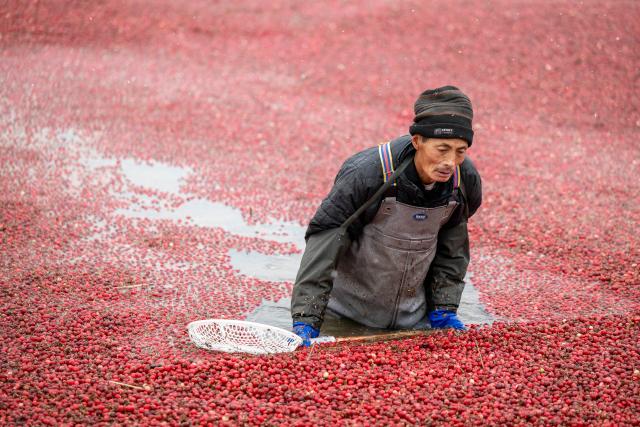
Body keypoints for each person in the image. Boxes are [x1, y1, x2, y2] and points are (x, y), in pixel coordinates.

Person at [290, 86, 482, 346]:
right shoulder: (367, 174)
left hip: (413, 320)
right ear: (417, 142)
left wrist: (444, 308)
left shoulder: (462, 181)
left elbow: (453, 248)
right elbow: (325, 244)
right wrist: (307, 318)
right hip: (346, 315)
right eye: (442, 149)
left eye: (460, 151)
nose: (450, 161)